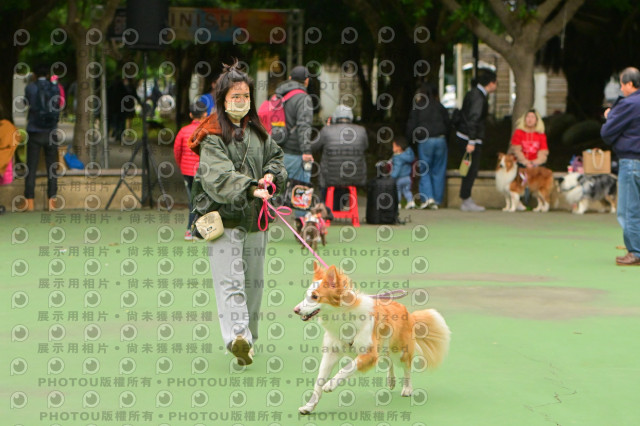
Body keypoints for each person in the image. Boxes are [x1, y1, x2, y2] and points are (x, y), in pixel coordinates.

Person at [188, 60, 288, 364]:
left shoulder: (258, 132)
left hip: (256, 219)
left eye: (246, 96)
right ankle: (237, 337)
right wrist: (250, 187)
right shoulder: (211, 135)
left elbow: (277, 160)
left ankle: (249, 339)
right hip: (223, 219)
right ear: (222, 99)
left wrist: (271, 176)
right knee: (230, 282)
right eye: (235, 96)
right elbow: (218, 176)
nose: (242, 101)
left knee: (254, 284)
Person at [601, 67, 640, 266]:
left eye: (622, 85)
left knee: (628, 209)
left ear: (630, 84)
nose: (621, 89)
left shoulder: (629, 104)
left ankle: (635, 252)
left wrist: (610, 116)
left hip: (631, 160)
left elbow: (607, 132)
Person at [276, 65, 314, 226]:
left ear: (290, 78)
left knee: (274, 186)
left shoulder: (278, 95)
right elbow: (304, 126)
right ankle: (301, 223)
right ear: (306, 81)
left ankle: (263, 220)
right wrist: (306, 151)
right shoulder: (303, 98)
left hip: (276, 148)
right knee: (301, 185)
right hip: (295, 150)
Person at [456, 69, 497, 212]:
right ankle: (466, 198)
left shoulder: (473, 93)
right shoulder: (479, 97)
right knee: (471, 170)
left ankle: (466, 197)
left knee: (468, 169)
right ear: (490, 83)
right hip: (470, 138)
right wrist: (472, 141)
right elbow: (474, 119)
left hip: (464, 135)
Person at [312, 104, 368, 205]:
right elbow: (365, 146)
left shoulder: (327, 130)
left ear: (335, 117)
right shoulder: (361, 130)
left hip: (329, 178)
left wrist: (327, 128)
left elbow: (313, 147)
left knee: (328, 183)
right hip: (355, 177)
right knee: (343, 185)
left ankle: (326, 206)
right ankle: (339, 205)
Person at [406, 82, 450, 209]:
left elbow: (412, 125)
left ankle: (427, 198)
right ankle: (437, 200)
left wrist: (409, 142)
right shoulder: (440, 106)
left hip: (425, 140)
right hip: (441, 139)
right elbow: (448, 124)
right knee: (439, 170)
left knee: (425, 170)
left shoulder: (418, 106)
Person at [24, 64, 61, 211]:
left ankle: (30, 203)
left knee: (31, 167)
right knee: (52, 168)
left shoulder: (30, 88)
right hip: (51, 132)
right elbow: (58, 104)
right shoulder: (55, 88)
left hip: (34, 131)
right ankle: (52, 202)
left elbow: (26, 103)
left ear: (34, 75)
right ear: (47, 75)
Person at [174, 100, 207, 240]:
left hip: (187, 172)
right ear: (205, 114)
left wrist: (181, 165)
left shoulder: (183, 131)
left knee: (192, 201)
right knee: (205, 200)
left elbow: (177, 151)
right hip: (204, 171)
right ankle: (201, 230)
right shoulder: (207, 132)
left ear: (190, 115)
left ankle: (190, 230)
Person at [391, 139, 416, 209]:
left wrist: (392, 176)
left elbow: (397, 168)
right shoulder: (408, 155)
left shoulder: (397, 157)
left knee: (397, 191)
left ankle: (397, 203)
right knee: (407, 191)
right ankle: (410, 202)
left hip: (399, 178)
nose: (392, 148)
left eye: (394, 146)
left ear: (399, 147)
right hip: (407, 178)